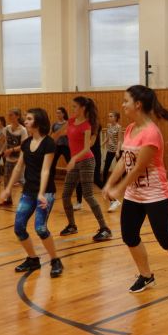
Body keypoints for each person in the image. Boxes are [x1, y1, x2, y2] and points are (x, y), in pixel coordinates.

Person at [102, 85, 168, 295]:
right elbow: (124, 161)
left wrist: (118, 189)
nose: (123, 105)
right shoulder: (130, 129)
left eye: (126, 101)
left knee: (165, 239)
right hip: (134, 194)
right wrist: (109, 183)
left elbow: (138, 168)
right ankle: (146, 275)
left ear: (138, 104)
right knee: (129, 236)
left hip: (155, 194)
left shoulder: (151, 133)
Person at [0, 108, 64, 278]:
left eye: (29, 119)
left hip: (46, 192)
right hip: (28, 191)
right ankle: (33, 259)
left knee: (40, 228)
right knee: (19, 227)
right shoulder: (26, 143)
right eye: (26, 119)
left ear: (38, 122)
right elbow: (18, 167)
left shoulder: (49, 143)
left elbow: (45, 170)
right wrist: (7, 189)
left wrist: (41, 193)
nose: (26, 121)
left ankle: (55, 260)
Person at [59, 96, 112, 241]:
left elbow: (87, 148)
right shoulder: (71, 121)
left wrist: (73, 159)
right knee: (65, 195)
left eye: (74, 106)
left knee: (88, 195)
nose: (72, 109)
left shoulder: (88, 125)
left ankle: (105, 228)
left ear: (83, 108)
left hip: (87, 161)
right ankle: (72, 225)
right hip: (75, 162)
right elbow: (60, 133)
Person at [49, 107, 83, 210]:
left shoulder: (68, 124)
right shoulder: (55, 124)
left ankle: (79, 199)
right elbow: (52, 135)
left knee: (74, 169)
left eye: (59, 113)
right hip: (57, 147)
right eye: (57, 113)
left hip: (67, 148)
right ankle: (51, 191)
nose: (58, 114)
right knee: (51, 168)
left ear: (64, 114)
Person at [0, 108, 28, 206]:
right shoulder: (7, 128)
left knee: (21, 180)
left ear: (17, 116)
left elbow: (23, 146)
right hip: (9, 159)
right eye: (9, 115)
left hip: (19, 159)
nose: (9, 117)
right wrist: (2, 151)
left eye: (11, 115)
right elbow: (6, 142)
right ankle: (8, 199)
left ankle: (29, 198)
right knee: (6, 179)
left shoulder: (23, 130)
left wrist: (11, 150)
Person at [101, 110, 122, 212]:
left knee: (120, 170)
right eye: (109, 116)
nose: (109, 118)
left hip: (116, 150)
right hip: (109, 150)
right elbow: (108, 138)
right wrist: (102, 144)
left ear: (116, 118)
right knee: (105, 169)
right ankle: (105, 186)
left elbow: (120, 140)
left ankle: (122, 185)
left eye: (111, 116)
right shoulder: (109, 126)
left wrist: (118, 151)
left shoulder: (118, 127)